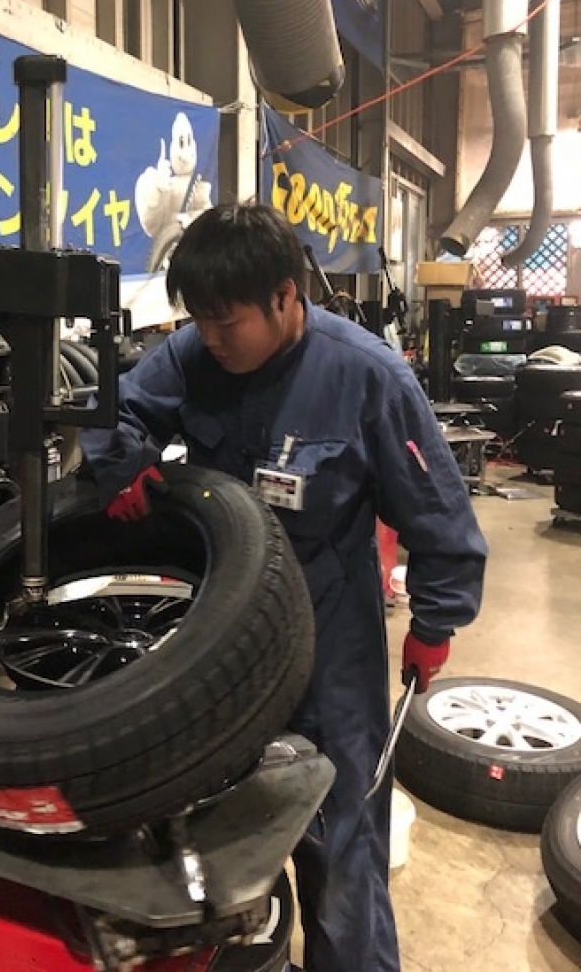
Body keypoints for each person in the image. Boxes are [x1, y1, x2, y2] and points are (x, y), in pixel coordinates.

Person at [78, 201, 487, 972]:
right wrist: (122, 462)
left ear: (284, 297)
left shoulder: (366, 375)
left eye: (226, 320)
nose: (210, 336)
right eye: (198, 318)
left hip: (331, 643)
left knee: (342, 845)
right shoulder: (195, 354)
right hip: (222, 636)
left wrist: (436, 622)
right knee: (219, 827)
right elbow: (117, 407)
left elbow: (439, 514)